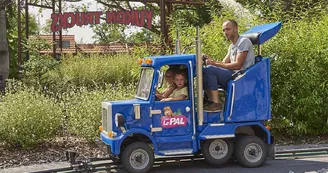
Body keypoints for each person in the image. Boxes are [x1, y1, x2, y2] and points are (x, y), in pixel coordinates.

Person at [203, 19, 255, 112]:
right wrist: (211, 60)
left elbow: (237, 65)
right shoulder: (231, 46)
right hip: (232, 74)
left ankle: (216, 104)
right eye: (223, 30)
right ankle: (209, 100)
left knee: (210, 69)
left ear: (235, 28)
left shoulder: (243, 42)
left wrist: (213, 64)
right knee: (204, 71)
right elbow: (223, 63)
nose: (225, 32)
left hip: (240, 77)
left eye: (227, 29)